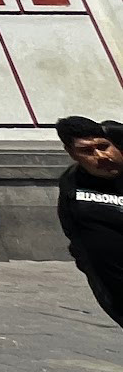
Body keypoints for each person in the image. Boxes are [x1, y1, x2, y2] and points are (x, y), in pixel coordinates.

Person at [56, 115, 123, 327]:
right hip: (113, 288)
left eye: (104, 146)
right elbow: (70, 225)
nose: (101, 156)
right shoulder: (71, 183)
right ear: (71, 153)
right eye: (87, 151)